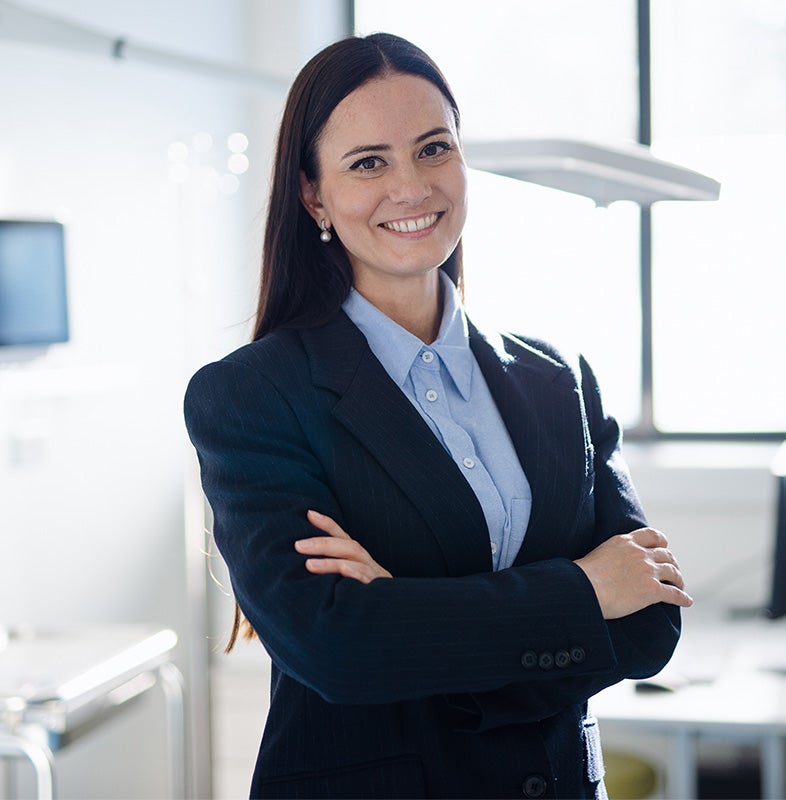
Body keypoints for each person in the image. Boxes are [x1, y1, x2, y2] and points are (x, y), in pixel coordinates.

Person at [184, 32, 693, 800]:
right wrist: (584, 595)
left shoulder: (560, 381)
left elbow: (651, 620)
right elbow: (337, 648)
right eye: (368, 163)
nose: (411, 187)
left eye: (433, 149)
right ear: (313, 195)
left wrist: (411, 620)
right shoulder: (254, 396)